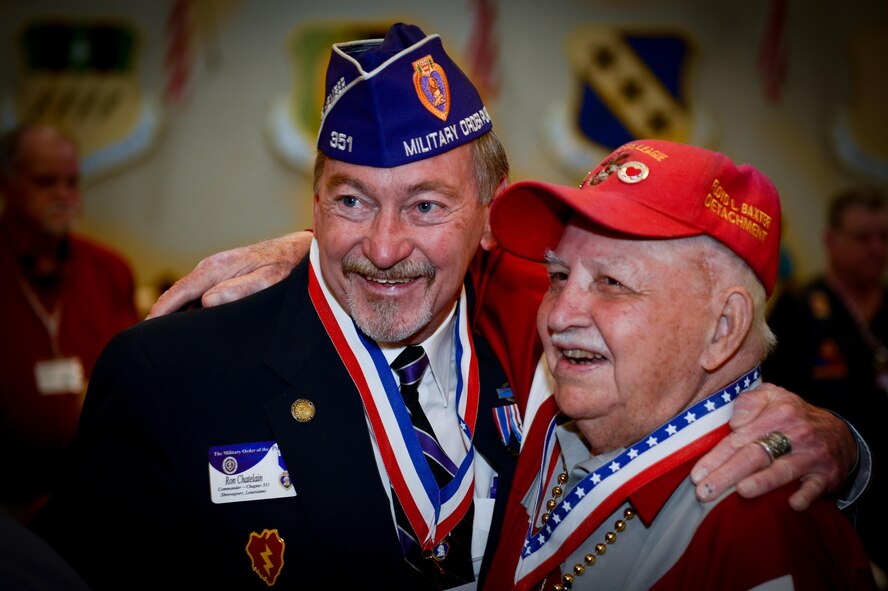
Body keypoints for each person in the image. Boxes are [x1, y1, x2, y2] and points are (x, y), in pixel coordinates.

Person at [34, 23, 860, 590]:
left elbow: (703, 351)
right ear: (313, 203)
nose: (385, 247)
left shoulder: (546, 331)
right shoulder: (170, 376)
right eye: (352, 201)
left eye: (427, 206)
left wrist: (849, 448)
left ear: (487, 215)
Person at [482, 139, 876, 590]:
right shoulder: (554, 431)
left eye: (612, 282)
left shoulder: (761, 532)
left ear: (723, 328)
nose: (557, 314)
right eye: (558, 276)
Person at [0, 123, 139, 524]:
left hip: (96, 499)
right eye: (46, 182)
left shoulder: (108, 270)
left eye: (71, 182)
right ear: (6, 183)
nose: (63, 195)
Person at [764, 186, 888, 582]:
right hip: (830, 492)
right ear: (831, 241)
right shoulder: (800, 308)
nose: (875, 248)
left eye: (884, 237)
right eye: (862, 237)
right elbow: (772, 401)